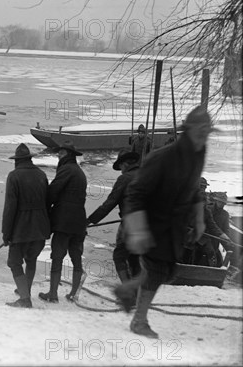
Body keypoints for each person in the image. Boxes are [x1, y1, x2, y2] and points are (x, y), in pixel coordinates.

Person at [115, 106, 216, 338]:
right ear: (188, 130)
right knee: (157, 270)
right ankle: (139, 322)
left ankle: (126, 289)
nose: (204, 134)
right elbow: (135, 193)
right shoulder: (162, 158)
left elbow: (194, 190)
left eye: (207, 130)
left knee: (166, 271)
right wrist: (139, 231)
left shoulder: (198, 154)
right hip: (153, 221)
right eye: (199, 130)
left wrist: (199, 220)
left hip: (175, 225)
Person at [2, 143, 51, 308]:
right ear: (29, 159)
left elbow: (10, 208)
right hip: (41, 226)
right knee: (31, 259)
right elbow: (48, 202)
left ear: (17, 161)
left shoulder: (14, 176)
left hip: (21, 228)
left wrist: (6, 233)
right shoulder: (42, 175)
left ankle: (24, 298)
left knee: (14, 262)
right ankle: (25, 290)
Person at [39, 140, 87, 303]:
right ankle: (73, 294)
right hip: (79, 221)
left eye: (62, 152)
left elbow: (54, 191)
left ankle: (52, 294)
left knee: (57, 257)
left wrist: (44, 208)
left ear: (69, 155)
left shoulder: (66, 169)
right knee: (76, 257)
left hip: (64, 221)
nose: (58, 155)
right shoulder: (79, 172)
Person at [88, 149, 141, 282]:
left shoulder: (125, 179)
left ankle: (128, 291)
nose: (121, 170)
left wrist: (90, 220)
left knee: (119, 256)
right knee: (135, 258)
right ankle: (137, 292)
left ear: (125, 164)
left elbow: (110, 203)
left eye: (121, 167)